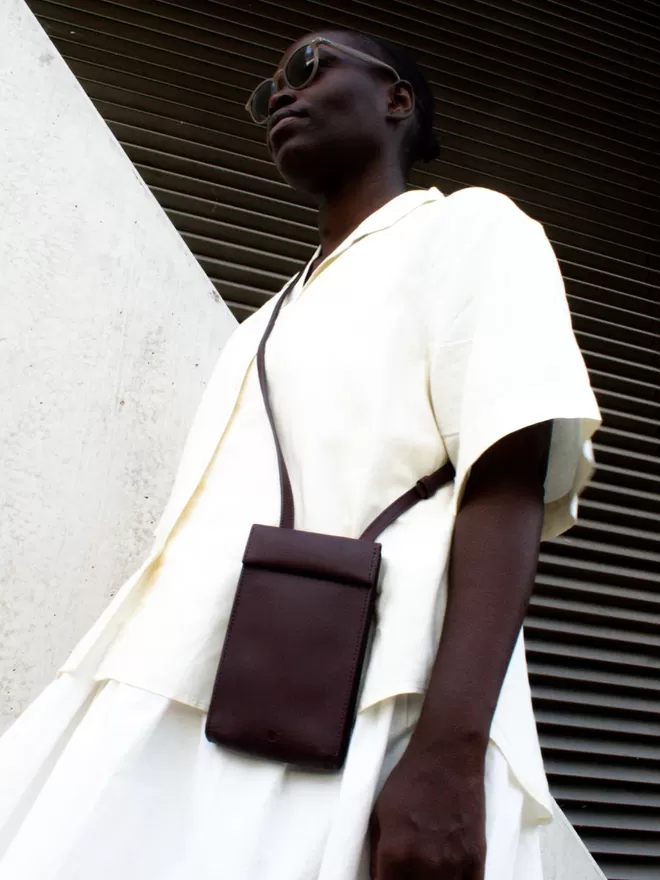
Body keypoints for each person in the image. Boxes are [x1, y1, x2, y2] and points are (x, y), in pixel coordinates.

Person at [0, 29, 600, 880]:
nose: (279, 95)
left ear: (398, 99)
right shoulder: (262, 320)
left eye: (308, 67)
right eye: (262, 93)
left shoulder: (472, 229)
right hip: (173, 683)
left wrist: (449, 752)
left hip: (372, 697)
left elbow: (504, 483)